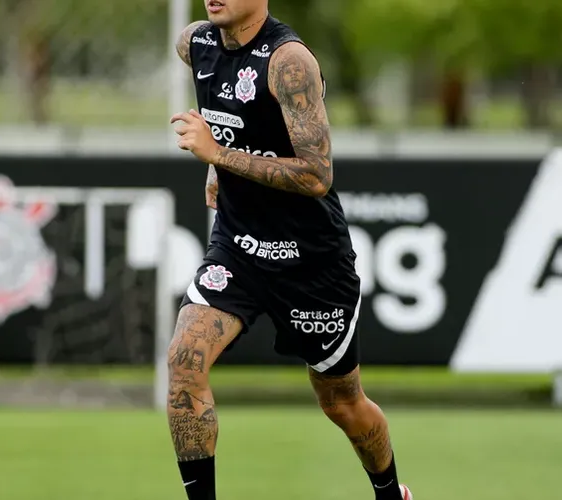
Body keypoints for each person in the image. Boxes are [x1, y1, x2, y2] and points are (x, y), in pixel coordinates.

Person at [167, 1, 413, 500]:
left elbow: (317, 175)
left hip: (310, 261)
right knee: (184, 361)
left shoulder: (289, 61)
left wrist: (217, 155)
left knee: (342, 404)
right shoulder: (195, 43)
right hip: (238, 247)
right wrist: (220, 166)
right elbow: (236, 116)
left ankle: (391, 494)